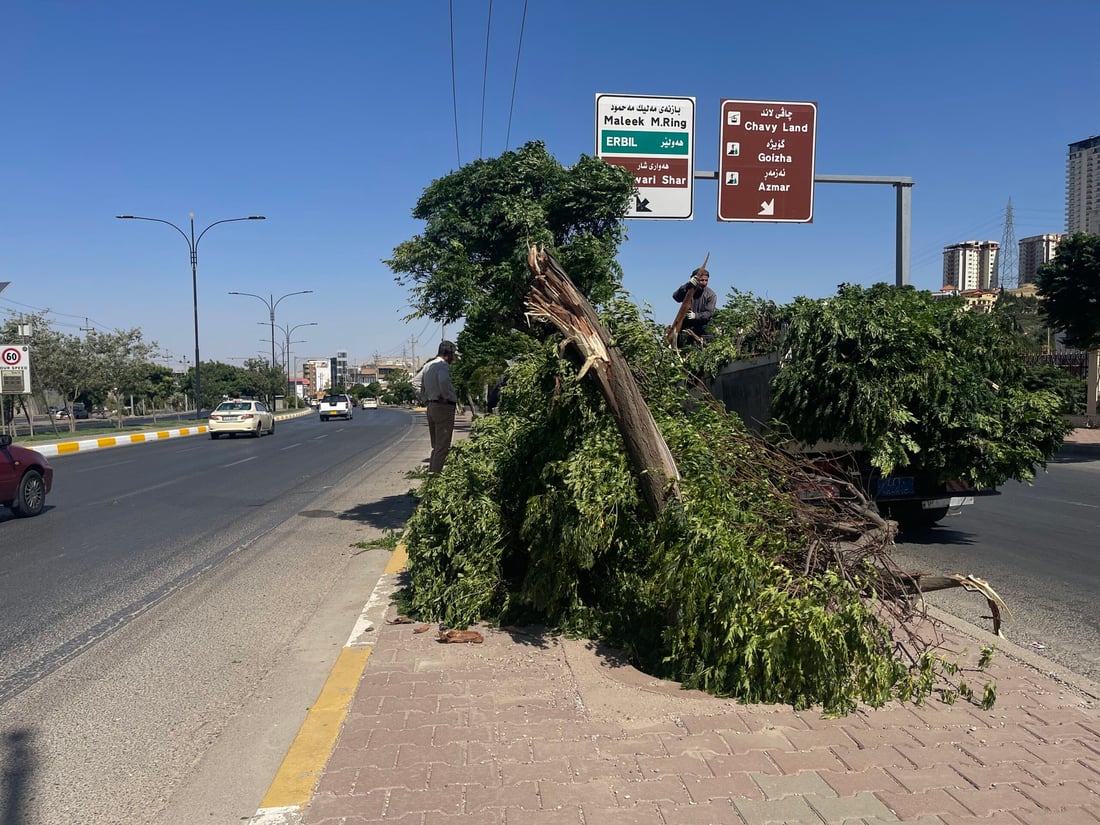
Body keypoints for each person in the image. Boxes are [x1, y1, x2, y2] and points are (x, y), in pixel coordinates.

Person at [422, 340, 459, 473]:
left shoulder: (428, 365)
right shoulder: (442, 365)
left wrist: (424, 398)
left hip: (431, 406)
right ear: (448, 354)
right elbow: (443, 380)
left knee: (436, 446)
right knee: (443, 446)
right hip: (443, 407)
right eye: (453, 354)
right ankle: (435, 478)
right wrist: (445, 395)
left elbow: (415, 382)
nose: (454, 358)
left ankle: (432, 473)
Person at [672, 266, 717, 341]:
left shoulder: (711, 295)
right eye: (701, 280)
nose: (704, 283)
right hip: (686, 330)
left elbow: (709, 313)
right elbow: (676, 297)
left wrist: (696, 316)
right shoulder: (688, 290)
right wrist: (687, 285)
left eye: (706, 280)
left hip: (703, 333)